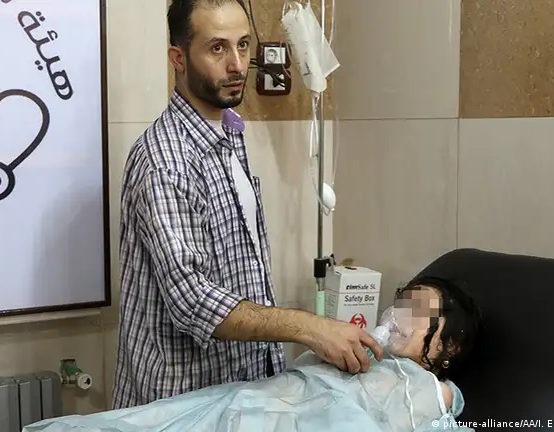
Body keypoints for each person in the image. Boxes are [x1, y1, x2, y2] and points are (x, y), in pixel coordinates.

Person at [111, 0, 383, 410]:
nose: (238, 65)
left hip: (240, 395)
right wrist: (310, 328)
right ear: (178, 58)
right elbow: (193, 300)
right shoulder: (165, 160)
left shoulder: (229, 137)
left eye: (242, 45)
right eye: (217, 48)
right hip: (183, 406)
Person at [26, 276, 484, 431]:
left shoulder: (429, 389)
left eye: (417, 311)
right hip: (242, 402)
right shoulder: (353, 350)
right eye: (400, 302)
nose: (398, 314)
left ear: (449, 346)